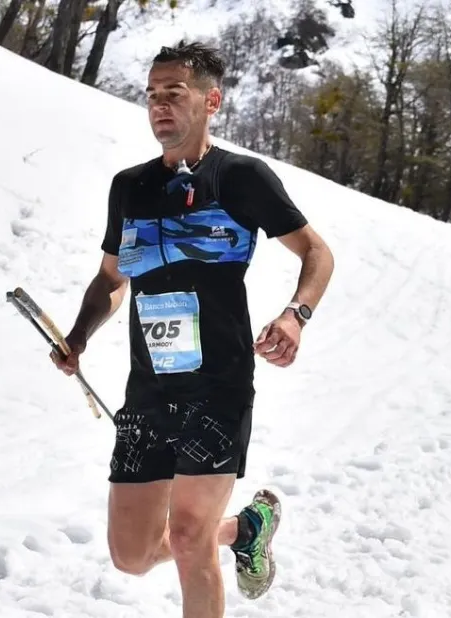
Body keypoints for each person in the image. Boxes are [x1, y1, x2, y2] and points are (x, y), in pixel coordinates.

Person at [50, 40, 334, 618]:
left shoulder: (241, 178)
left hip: (219, 386)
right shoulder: (129, 187)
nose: (159, 106)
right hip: (149, 392)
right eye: (152, 95)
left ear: (211, 102)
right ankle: (245, 529)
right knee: (131, 556)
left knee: (185, 539)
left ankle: (216, 535)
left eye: (174, 94)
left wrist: (295, 314)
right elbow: (110, 279)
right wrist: (79, 337)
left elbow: (317, 253)